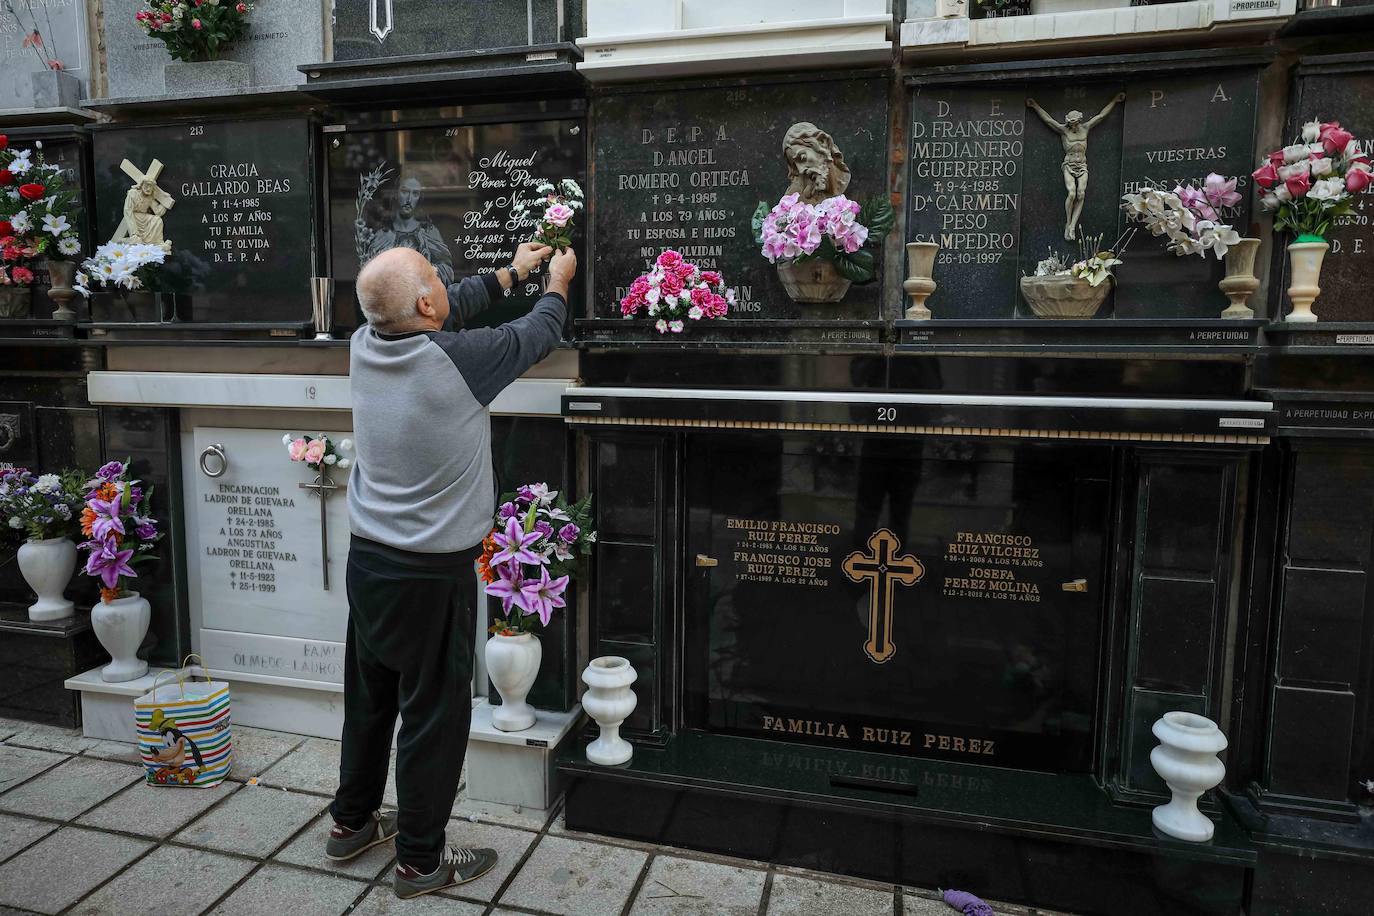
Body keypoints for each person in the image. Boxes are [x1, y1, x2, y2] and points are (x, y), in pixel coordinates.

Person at [326, 240, 575, 899]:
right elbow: (539, 332)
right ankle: (418, 861)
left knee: (369, 699)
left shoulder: (364, 341)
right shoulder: (459, 362)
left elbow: (449, 304)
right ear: (426, 304)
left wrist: (508, 272)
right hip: (431, 576)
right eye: (436, 276)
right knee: (434, 716)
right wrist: (555, 280)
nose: (446, 283)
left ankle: (350, 824)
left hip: (369, 562)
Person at [1026, 93, 1126, 241]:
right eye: (1071, 123)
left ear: (1079, 121)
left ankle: (1072, 226)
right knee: (1071, 193)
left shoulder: (1085, 128)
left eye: (1075, 123)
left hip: (1082, 165)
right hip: (1069, 165)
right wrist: (1034, 105)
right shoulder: (1064, 130)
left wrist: (1115, 101)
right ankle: (1068, 223)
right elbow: (1048, 120)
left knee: (1081, 194)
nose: (1073, 126)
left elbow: (1101, 116)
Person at [358, 177, 456, 285]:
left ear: (420, 198)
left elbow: (447, 272)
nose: (409, 199)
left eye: (415, 194)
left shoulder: (429, 232)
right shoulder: (382, 234)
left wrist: (424, 272)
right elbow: (369, 276)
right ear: (396, 194)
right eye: (405, 192)